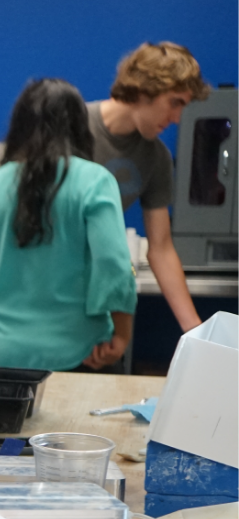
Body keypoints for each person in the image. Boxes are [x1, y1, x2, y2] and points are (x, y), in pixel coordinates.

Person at [0, 78, 138, 371]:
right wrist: (122, 335)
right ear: (80, 126)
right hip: (81, 353)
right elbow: (113, 266)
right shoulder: (95, 181)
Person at [89, 42, 210, 332]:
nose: (178, 118)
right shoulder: (72, 127)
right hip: (50, 302)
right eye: (175, 102)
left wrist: (195, 331)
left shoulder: (156, 157)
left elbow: (161, 248)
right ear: (145, 90)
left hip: (102, 299)